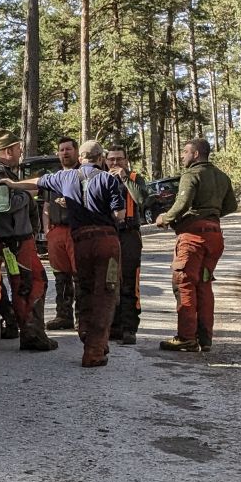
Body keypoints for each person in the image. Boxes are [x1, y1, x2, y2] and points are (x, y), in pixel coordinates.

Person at [34, 140, 127, 368]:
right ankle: (94, 351)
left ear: (81, 157)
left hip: (81, 242)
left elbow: (36, 182)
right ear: (101, 158)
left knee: (84, 289)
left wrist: (8, 183)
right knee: (105, 294)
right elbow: (119, 214)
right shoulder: (108, 179)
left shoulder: (65, 177)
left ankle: (87, 332)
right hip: (106, 243)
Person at [154, 137, 238, 352]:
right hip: (214, 237)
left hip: (193, 238)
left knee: (184, 283)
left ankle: (186, 337)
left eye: (185, 151)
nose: (182, 155)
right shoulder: (222, 176)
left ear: (196, 154)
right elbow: (231, 205)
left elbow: (182, 203)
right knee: (204, 285)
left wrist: (166, 218)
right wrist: (211, 214)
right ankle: (205, 338)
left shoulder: (191, 174)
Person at [0, 131, 56, 352]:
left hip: (13, 239)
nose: (21, 151)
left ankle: (24, 329)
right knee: (31, 283)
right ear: (8, 150)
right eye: (17, 148)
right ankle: (32, 334)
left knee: (25, 283)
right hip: (13, 240)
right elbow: (1, 205)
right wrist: (27, 192)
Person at [105, 147, 146, 346]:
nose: (115, 163)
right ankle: (113, 326)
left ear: (126, 160)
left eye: (119, 159)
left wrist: (124, 178)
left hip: (129, 235)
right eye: (111, 159)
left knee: (130, 281)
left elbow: (142, 199)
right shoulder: (102, 178)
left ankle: (129, 328)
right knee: (110, 280)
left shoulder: (135, 178)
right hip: (110, 234)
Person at [43, 136, 82, 330]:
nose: (65, 153)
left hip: (77, 230)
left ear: (76, 151)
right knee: (60, 276)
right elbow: (46, 205)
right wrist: (46, 230)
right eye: (61, 150)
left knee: (80, 274)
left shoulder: (84, 175)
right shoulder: (54, 178)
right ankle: (63, 315)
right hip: (56, 231)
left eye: (68, 149)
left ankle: (82, 317)